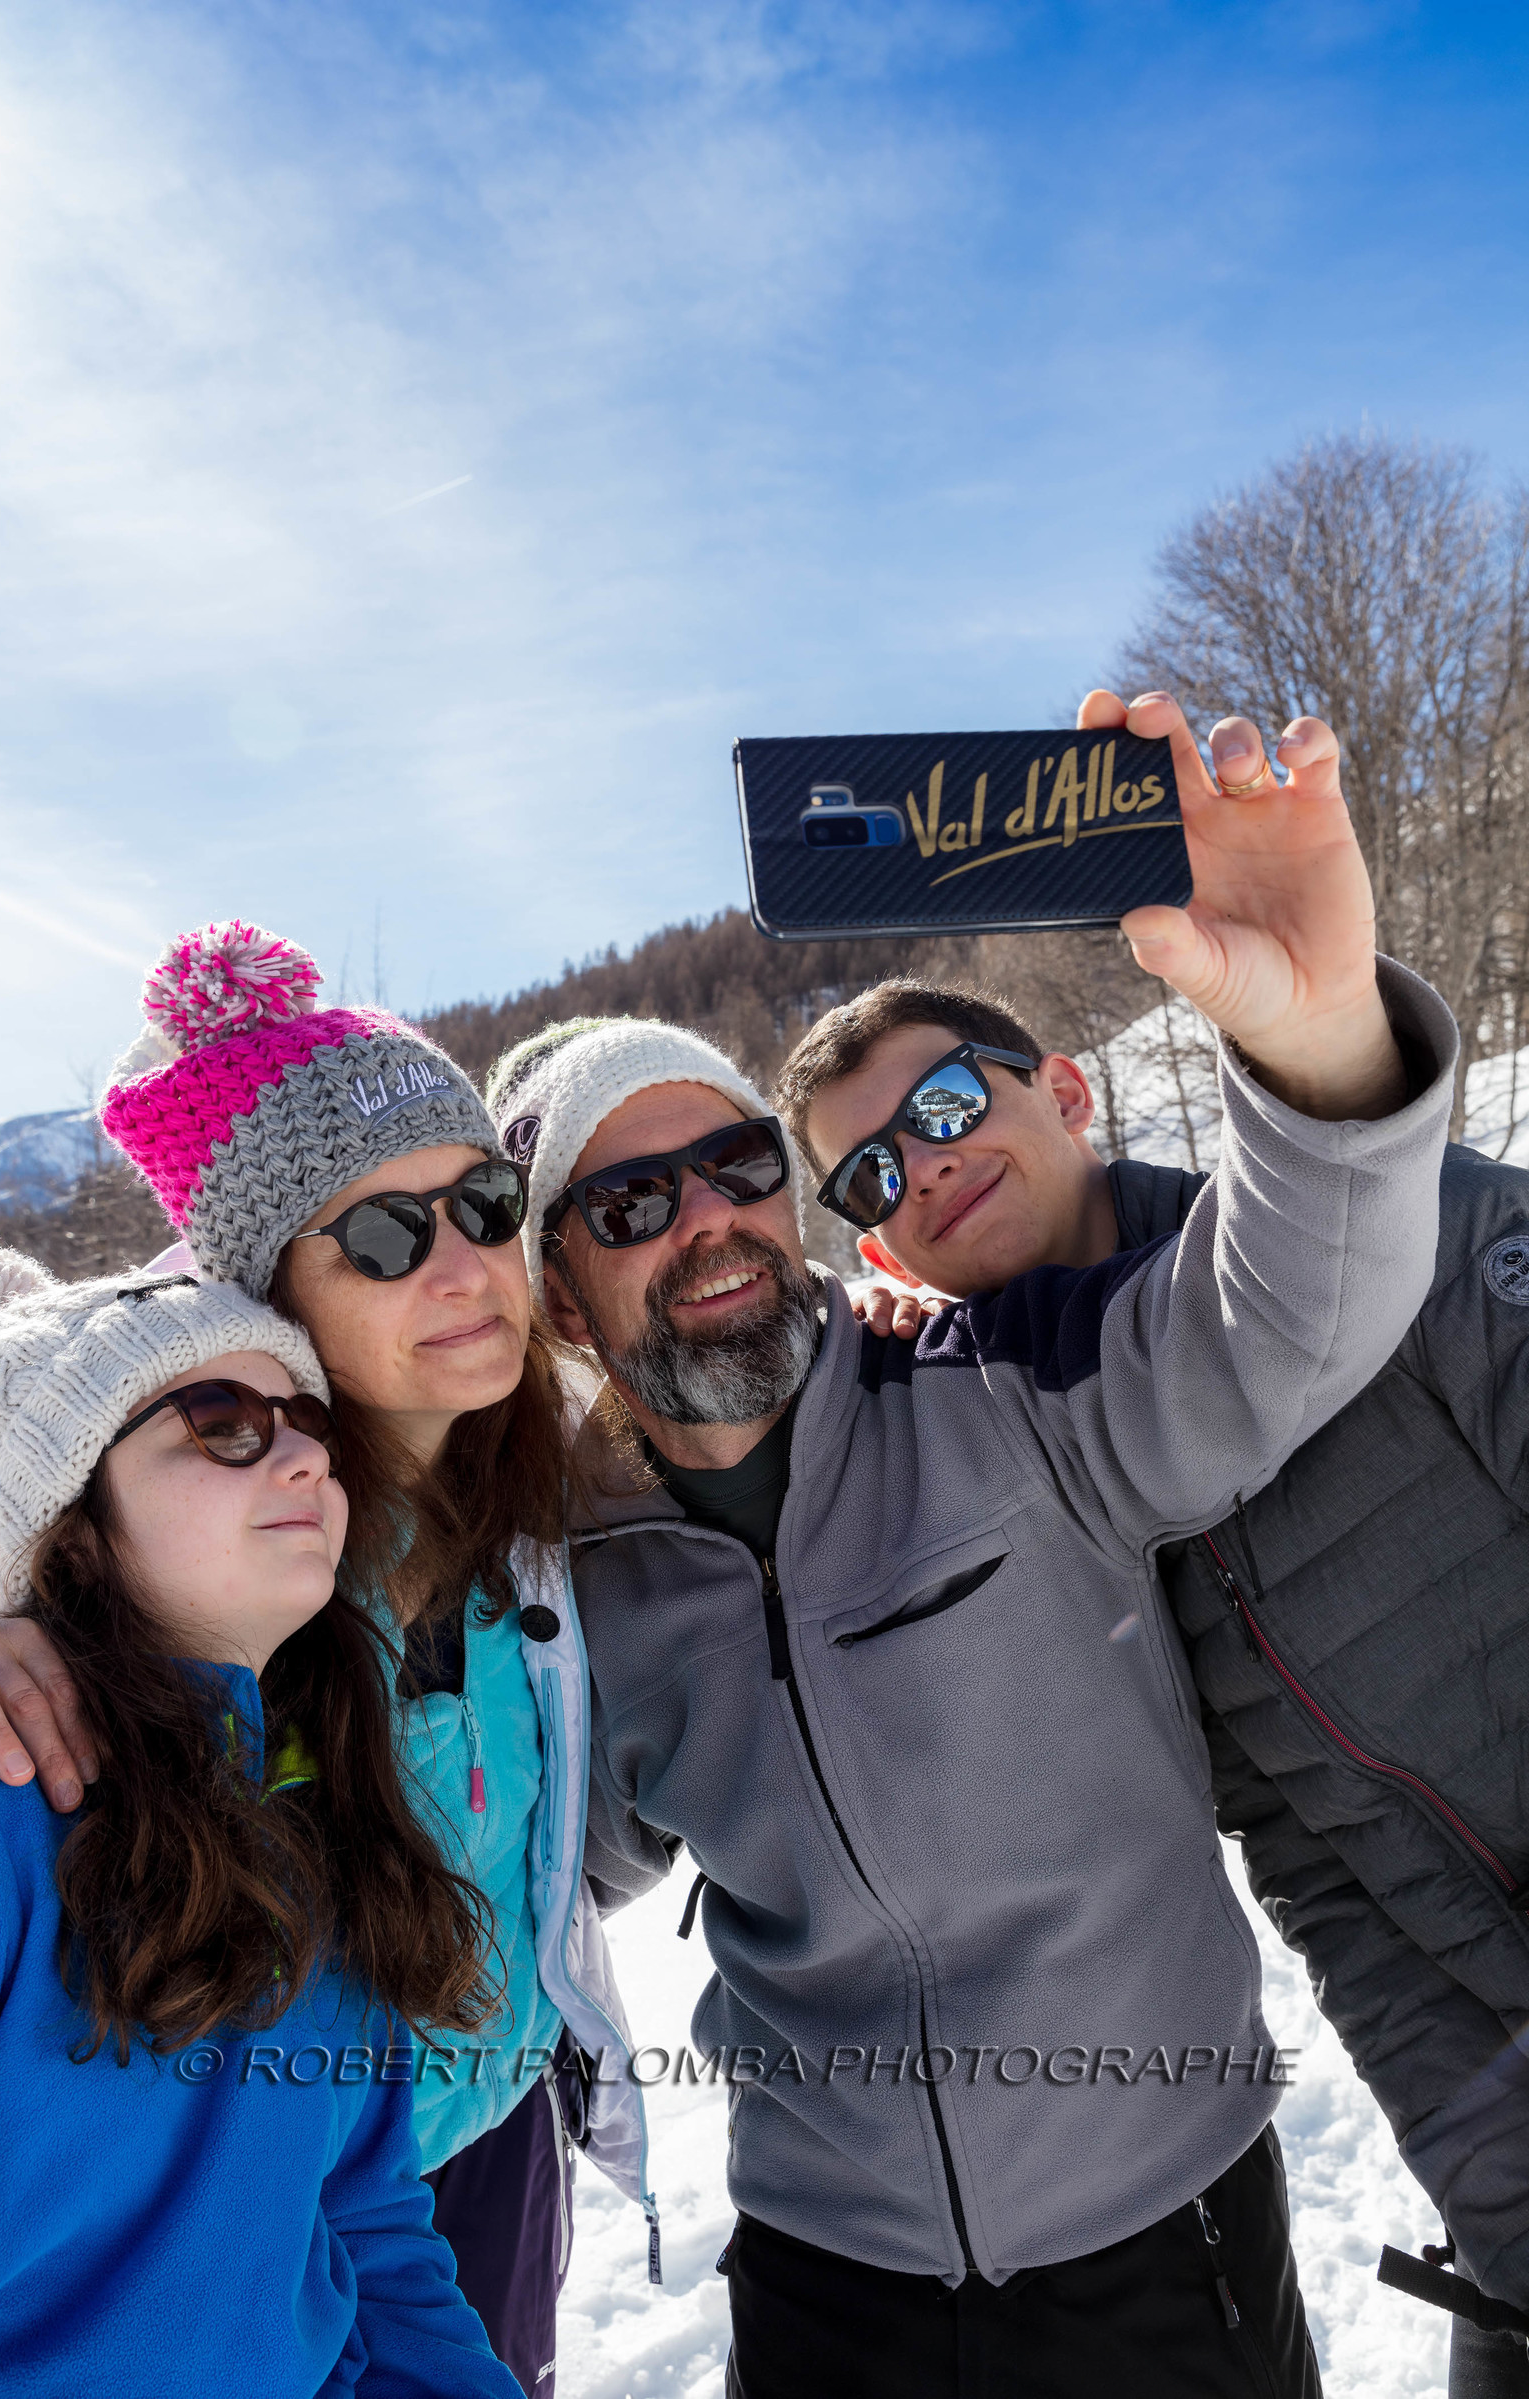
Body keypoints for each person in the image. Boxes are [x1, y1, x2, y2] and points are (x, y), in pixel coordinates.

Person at [477, 689, 1459, 2399]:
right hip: (824, 2267)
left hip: (1157, 2227)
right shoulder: (577, 1581)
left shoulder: (1003, 1383)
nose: (706, 1219)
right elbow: (523, 1844)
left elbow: (1293, 1313)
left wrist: (1320, 1047)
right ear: (563, 1288)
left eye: (733, 1165)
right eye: (634, 1204)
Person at [776, 960, 1529, 2390]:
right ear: (880, 1252)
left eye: (948, 1103)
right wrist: (1501, 2199)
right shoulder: (1025, 1477)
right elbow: (1310, 1855)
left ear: (1068, 1089)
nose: (923, 1165)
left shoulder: (1397, 1229)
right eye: (870, 1172)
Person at [0, 923, 654, 2399]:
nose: (459, 1262)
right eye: (381, 1234)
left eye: (484, 1202)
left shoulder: (557, 1486)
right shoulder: (229, 1590)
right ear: (268, 1286)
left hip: (443, 2150)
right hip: (243, 2176)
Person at [0, 1239, 519, 2397]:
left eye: (307, 1419)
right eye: (221, 1419)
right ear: (76, 1526)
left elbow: (364, 2220)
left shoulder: (318, 1797)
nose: (301, 1451)